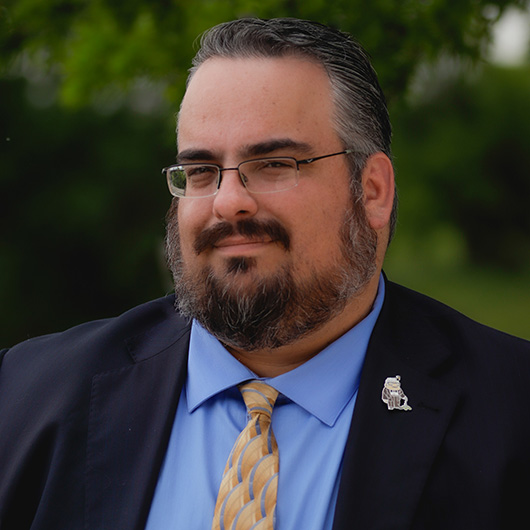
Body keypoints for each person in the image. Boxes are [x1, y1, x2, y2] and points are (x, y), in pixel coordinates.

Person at [0, 17, 529, 530]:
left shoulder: (510, 412)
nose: (228, 202)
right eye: (203, 171)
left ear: (372, 191)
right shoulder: (27, 395)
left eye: (275, 164)